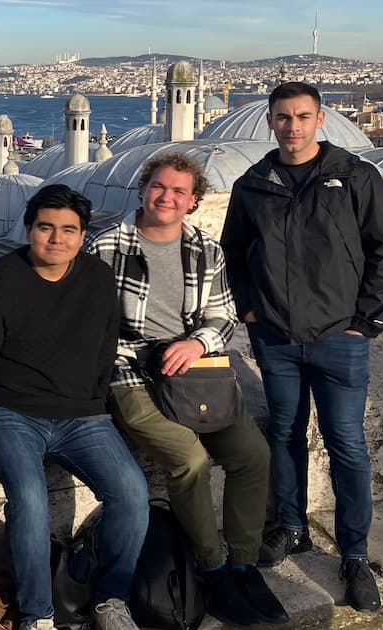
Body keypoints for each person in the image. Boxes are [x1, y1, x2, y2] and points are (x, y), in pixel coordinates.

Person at [220, 81, 383, 613]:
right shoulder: (253, 184)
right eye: (283, 117)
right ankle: (292, 526)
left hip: (340, 338)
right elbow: (233, 252)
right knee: (283, 432)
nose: (293, 126)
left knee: (346, 441)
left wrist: (364, 322)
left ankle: (353, 553)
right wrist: (250, 310)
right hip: (276, 337)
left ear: (321, 119)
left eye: (303, 116)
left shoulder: (354, 177)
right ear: (270, 122)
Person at [87, 153, 288, 627]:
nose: (167, 197)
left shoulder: (205, 249)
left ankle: (242, 563)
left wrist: (197, 343)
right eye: (159, 187)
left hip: (196, 371)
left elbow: (222, 315)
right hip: (131, 372)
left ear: (193, 200)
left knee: (252, 456)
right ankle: (212, 568)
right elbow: (91, 326)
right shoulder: (106, 247)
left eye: (179, 191)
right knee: (189, 459)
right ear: (142, 189)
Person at [0, 185, 148, 630]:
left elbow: (104, 346)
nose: (56, 238)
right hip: (9, 410)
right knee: (30, 497)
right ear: (29, 229)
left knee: (132, 493)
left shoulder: (96, 278)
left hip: (81, 413)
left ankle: (111, 601)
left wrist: (95, 404)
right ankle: (36, 615)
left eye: (68, 230)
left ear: (81, 236)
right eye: (46, 227)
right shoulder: (1, 279)